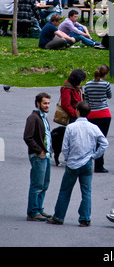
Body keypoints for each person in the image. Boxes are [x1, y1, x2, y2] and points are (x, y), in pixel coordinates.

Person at [47, 101, 109, 226]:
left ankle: (59, 216)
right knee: (86, 192)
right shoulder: (94, 128)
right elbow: (104, 144)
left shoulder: (70, 127)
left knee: (65, 190)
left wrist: (68, 158)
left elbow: (65, 147)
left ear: (78, 111)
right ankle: (85, 218)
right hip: (87, 162)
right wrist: (95, 155)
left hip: (72, 163)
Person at [23, 92, 52, 222]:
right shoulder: (33, 118)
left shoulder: (43, 117)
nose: (47, 106)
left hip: (46, 155)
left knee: (44, 184)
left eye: (48, 103)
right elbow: (27, 137)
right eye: (45, 103)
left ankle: (39, 208)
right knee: (37, 184)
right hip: (38, 156)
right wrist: (39, 150)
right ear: (38, 103)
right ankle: (32, 212)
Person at [84, 64, 112, 173]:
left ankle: (87, 162)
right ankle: (99, 165)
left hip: (92, 114)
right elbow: (109, 96)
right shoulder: (106, 84)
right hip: (104, 114)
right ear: (105, 75)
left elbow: (86, 99)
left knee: (91, 140)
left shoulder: (88, 84)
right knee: (102, 139)